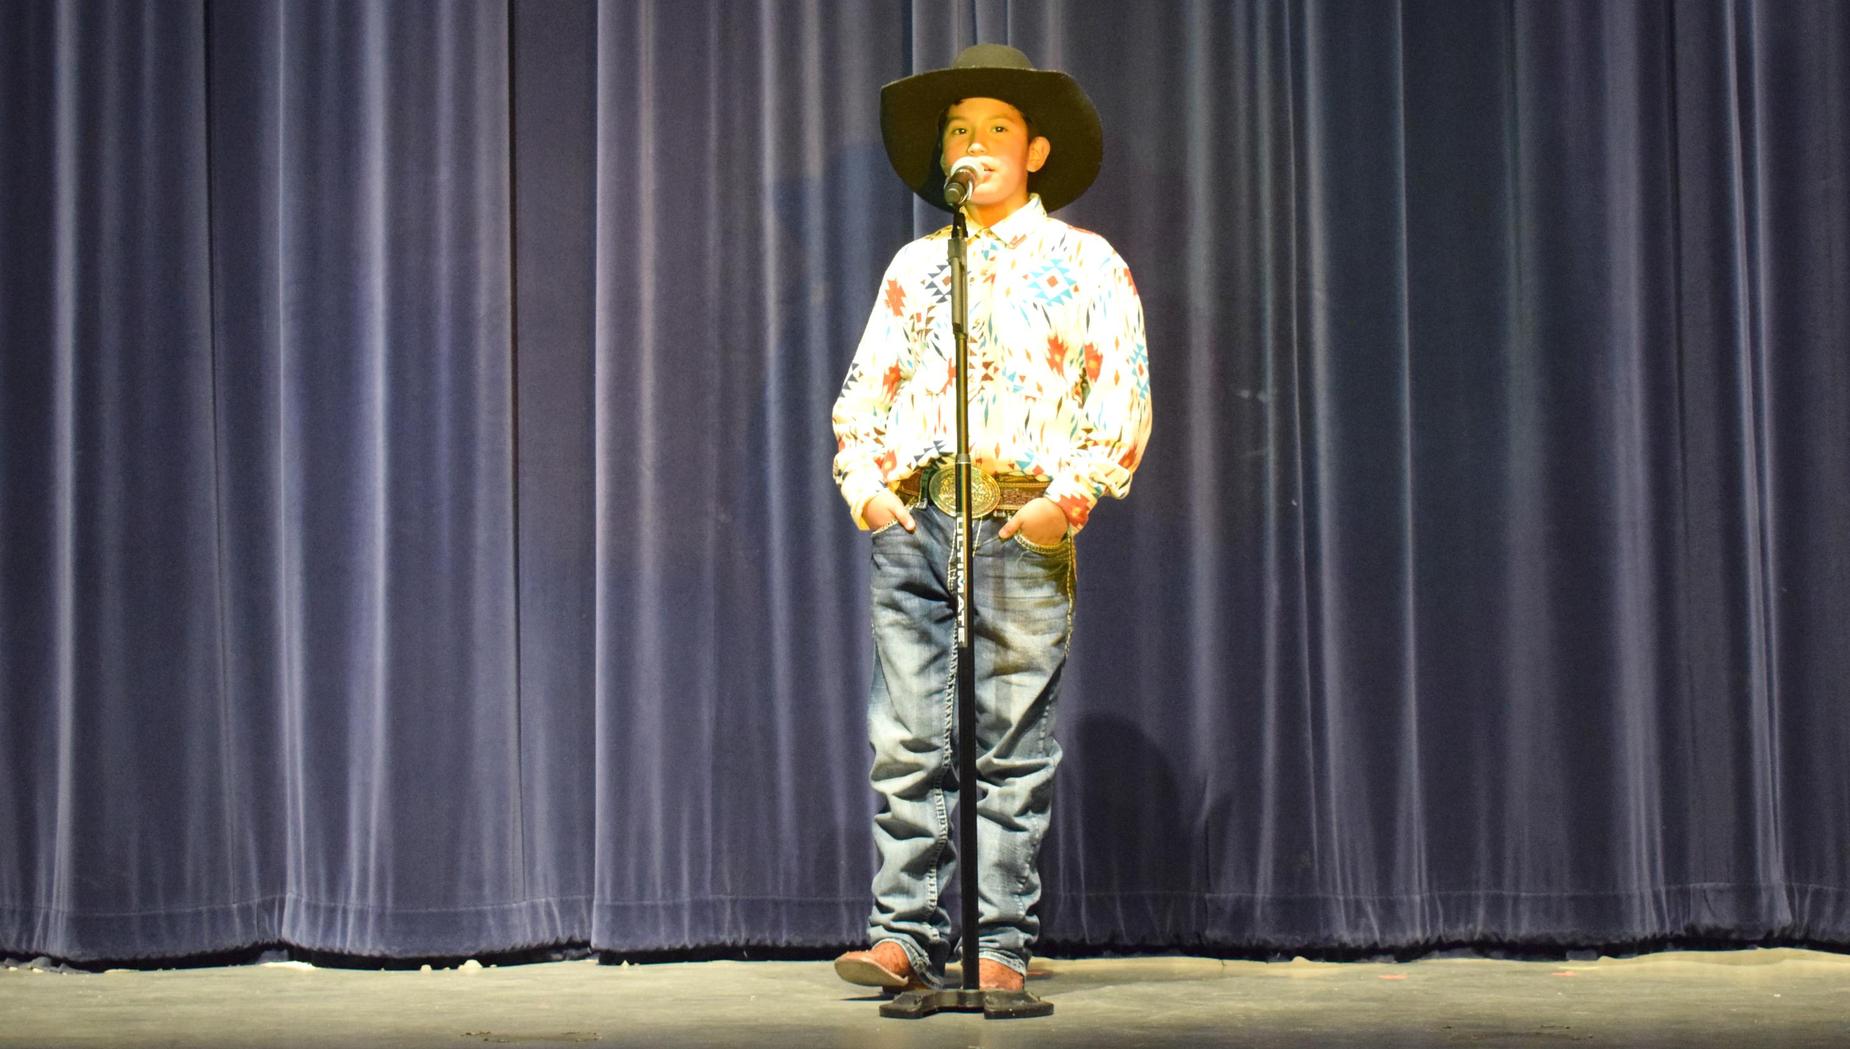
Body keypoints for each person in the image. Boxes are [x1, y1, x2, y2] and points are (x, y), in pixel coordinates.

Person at [829, 43, 1152, 995]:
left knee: (1011, 740)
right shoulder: (918, 266)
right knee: (908, 738)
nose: (974, 144)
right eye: (958, 131)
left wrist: (1065, 502)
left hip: (1018, 516)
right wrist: (869, 489)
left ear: (1036, 150)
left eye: (997, 128)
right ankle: (905, 935)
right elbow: (867, 391)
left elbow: (1120, 395)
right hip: (918, 517)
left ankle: (999, 944)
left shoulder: (1085, 263)